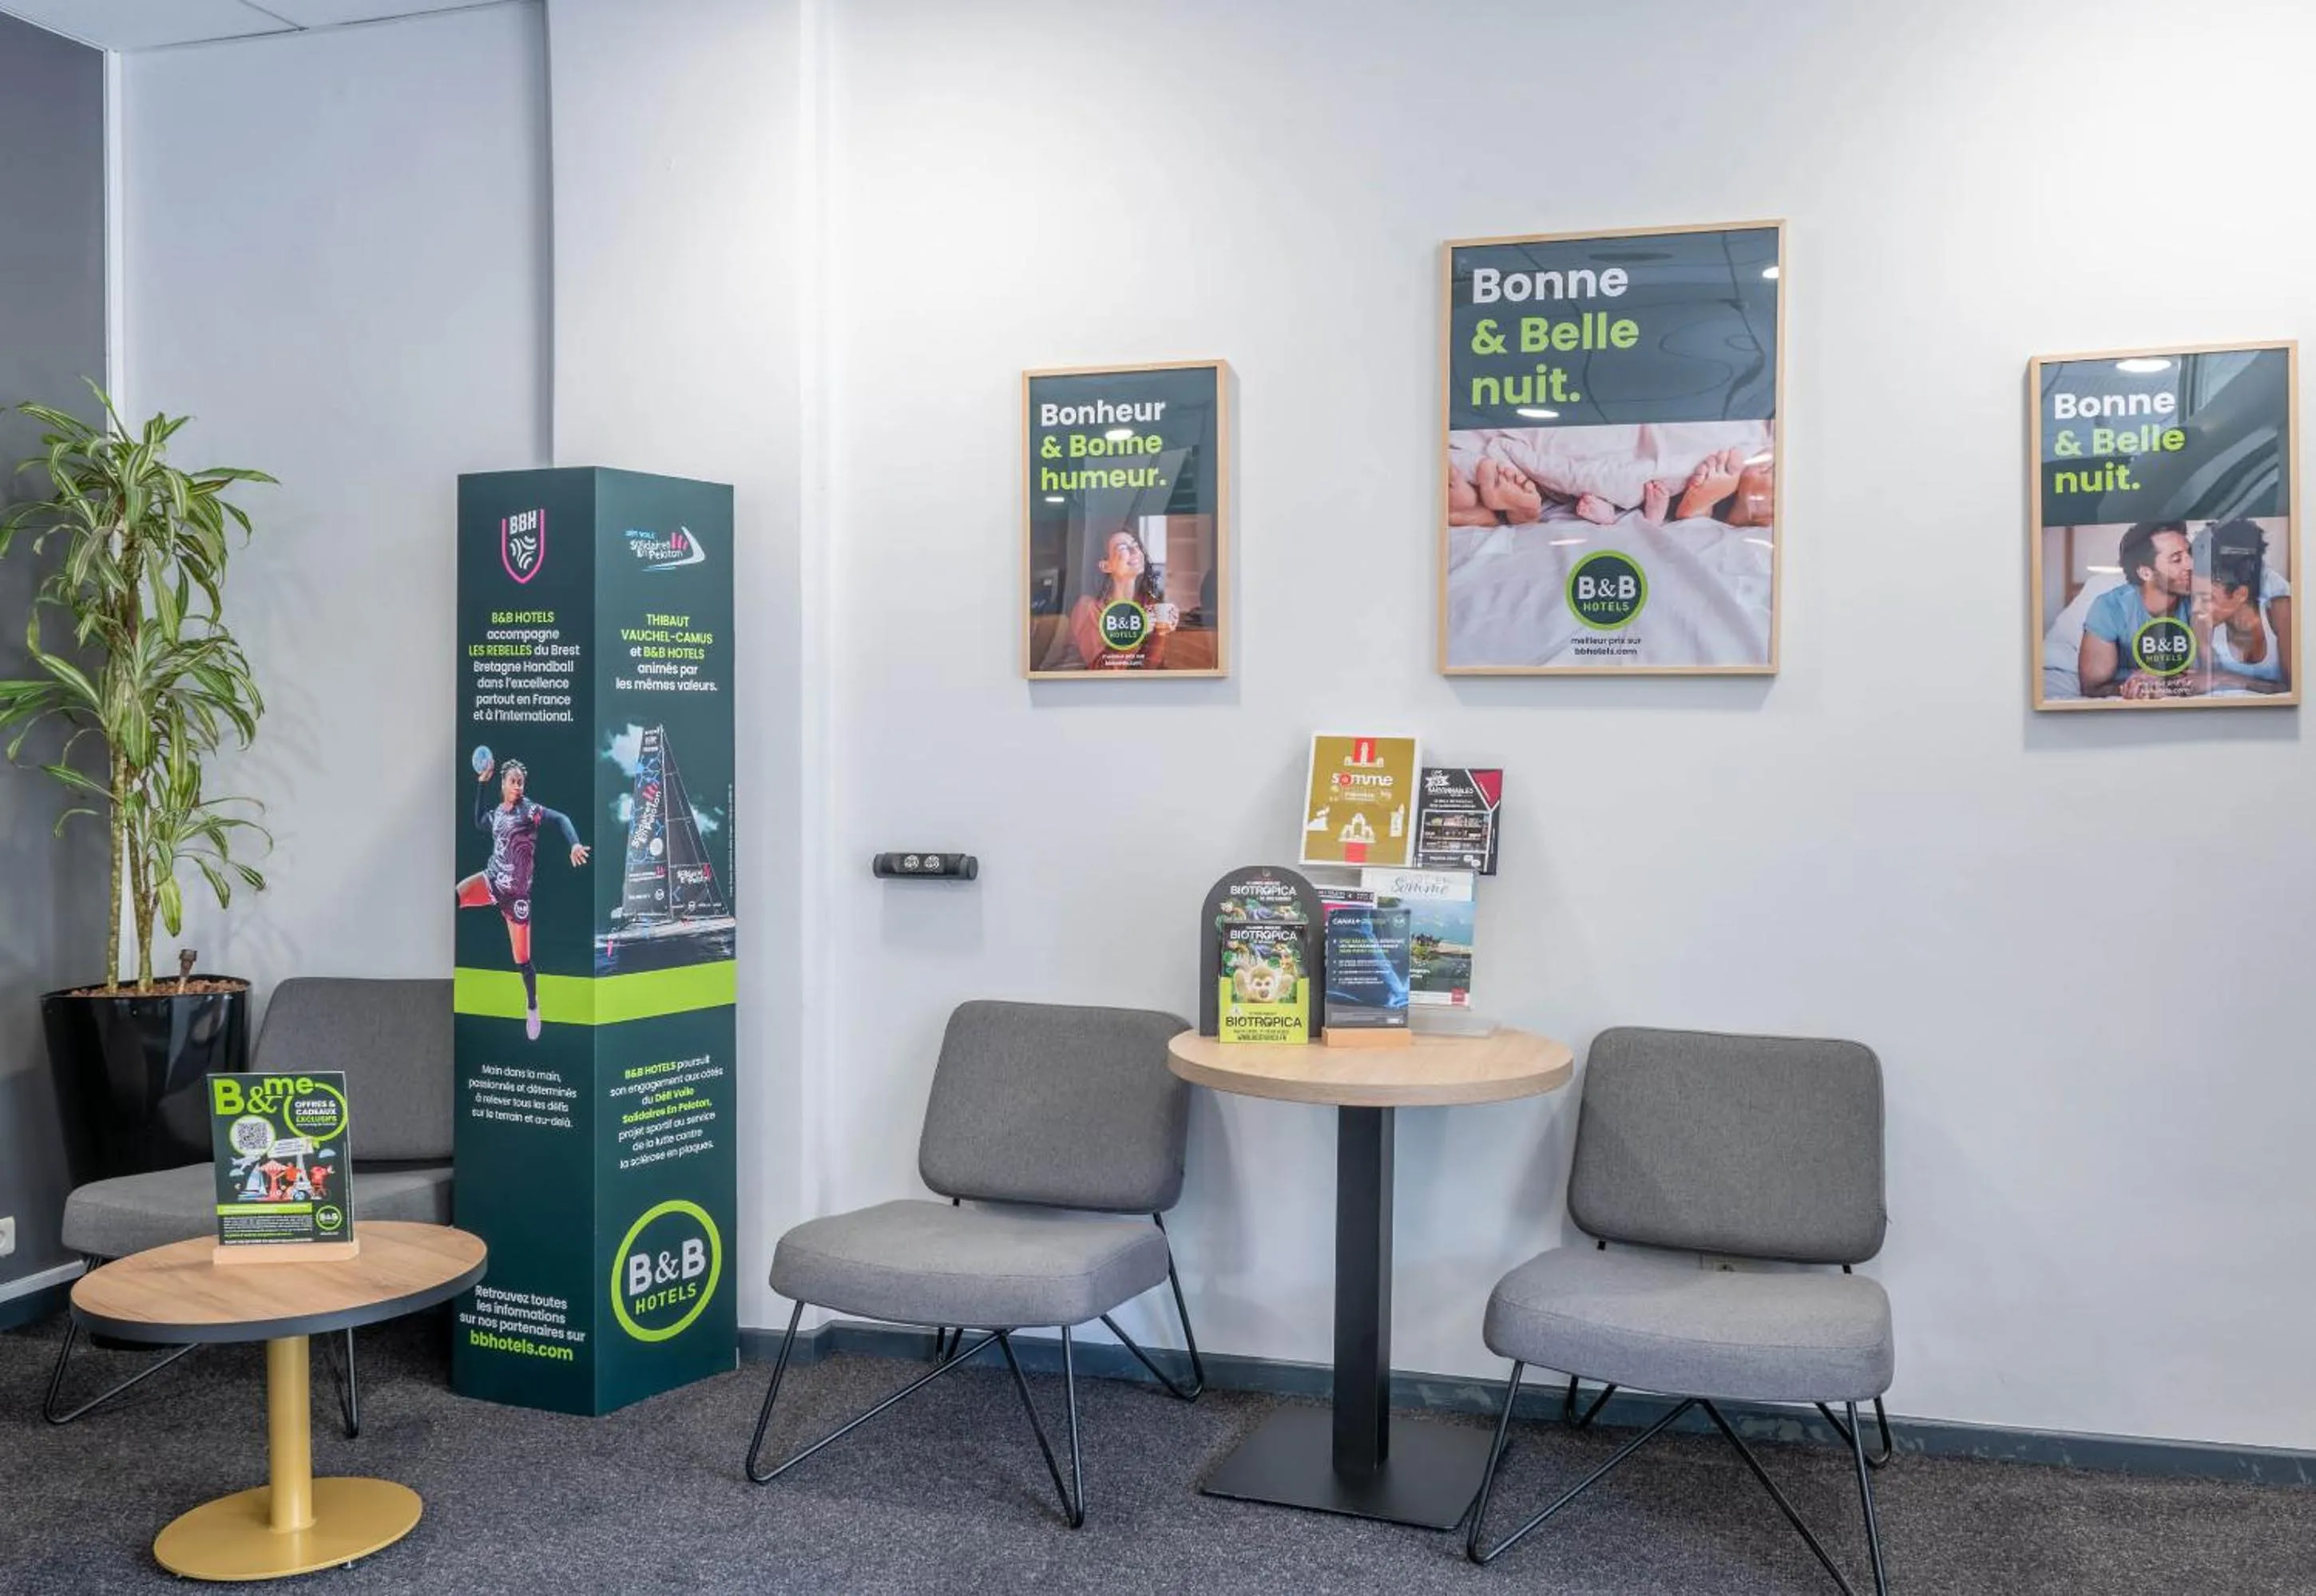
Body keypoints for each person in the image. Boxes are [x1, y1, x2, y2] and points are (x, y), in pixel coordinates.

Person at [458, 755, 589, 1040]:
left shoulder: (530, 811)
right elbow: (480, 821)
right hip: (492, 880)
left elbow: (562, 819)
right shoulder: (497, 813)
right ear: (503, 783)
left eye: (521, 782)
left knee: (523, 960)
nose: (518, 786)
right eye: (513, 781)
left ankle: (532, 1005)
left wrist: (575, 843)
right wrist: (481, 783)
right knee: (454, 897)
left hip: (517, 897)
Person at [2080, 521, 2194, 699]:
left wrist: (2165, 684)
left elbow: (2210, 671)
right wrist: (2130, 687)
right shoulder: (2111, 608)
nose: (2191, 565)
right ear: (2146, 573)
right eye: (2177, 559)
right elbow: (2092, 687)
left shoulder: (2203, 602)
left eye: (2190, 554)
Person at [2189, 519, 2292, 695]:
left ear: (2240, 594)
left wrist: (2225, 679)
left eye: (2206, 599)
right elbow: (2204, 685)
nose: (2195, 608)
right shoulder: (2202, 623)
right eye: (2194, 597)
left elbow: (2299, 690)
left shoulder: (2280, 612)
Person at [1067, 526, 1180, 669]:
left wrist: (1161, 632)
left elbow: (1148, 668)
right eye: (1122, 548)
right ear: (1105, 566)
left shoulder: (1147, 603)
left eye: (1136, 545)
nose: (1135, 552)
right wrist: (1136, 632)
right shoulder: (1089, 608)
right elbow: (1101, 671)